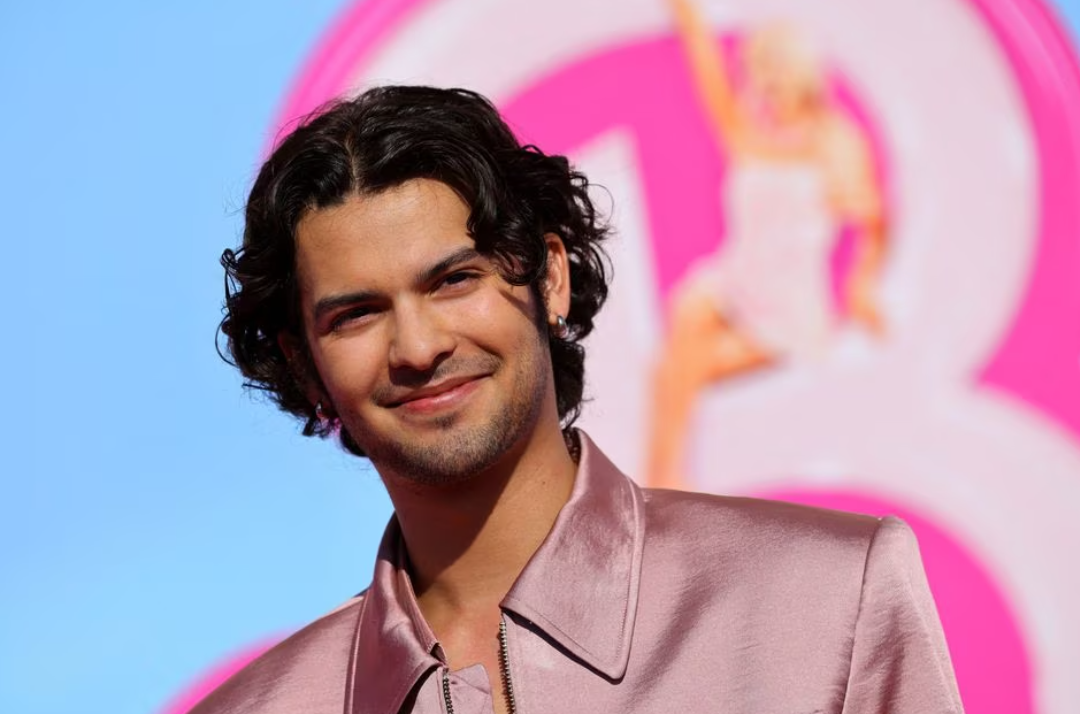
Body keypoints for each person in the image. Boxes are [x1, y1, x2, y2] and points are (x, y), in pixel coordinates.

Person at [194, 85, 962, 714]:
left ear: (550, 278)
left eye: (455, 280)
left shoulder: (828, 603)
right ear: (302, 363)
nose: (418, 347)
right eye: (357, 313)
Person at [647, 0, 889, 490]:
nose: (765, 90)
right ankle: (663, 483)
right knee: (686, 319)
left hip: (787, 305)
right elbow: (706, 66)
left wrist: (862, 287)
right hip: (737, 281)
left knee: (679, 369)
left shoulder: (834, 142)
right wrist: (688, 15)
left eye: (775, 77)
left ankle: (662, 488)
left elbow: (874, 219)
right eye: (759, 76)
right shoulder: (748, 132)